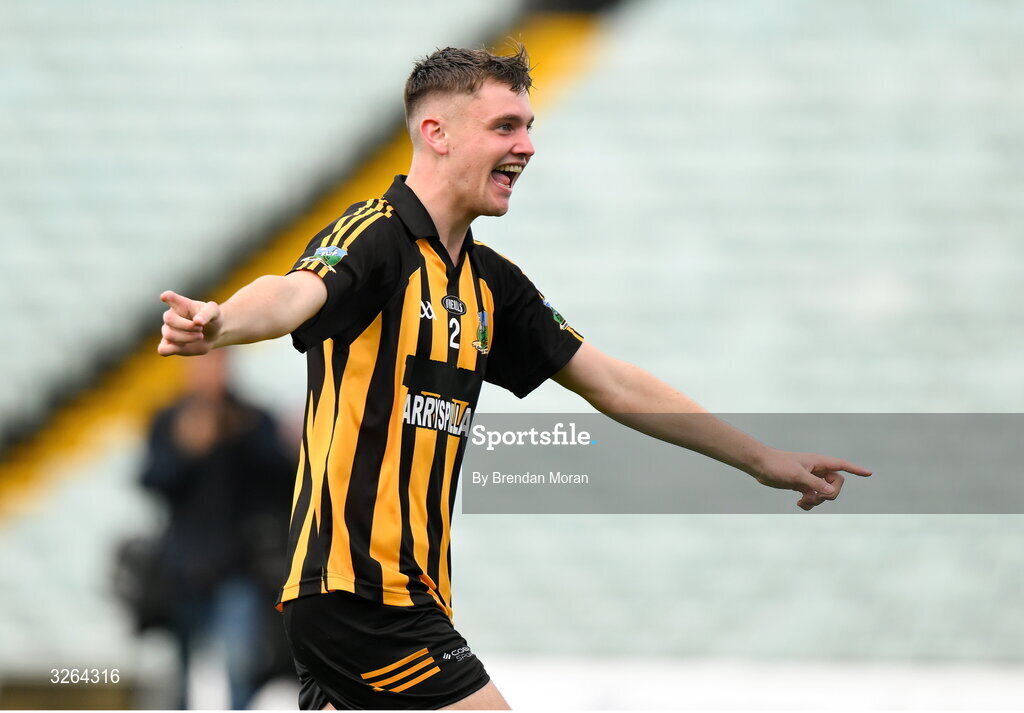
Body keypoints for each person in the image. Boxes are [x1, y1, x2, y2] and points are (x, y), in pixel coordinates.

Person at [156, 45, 871, 710]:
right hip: (362, 596)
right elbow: (292, 293)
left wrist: (763, 459)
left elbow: (613, 384)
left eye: (528, 126)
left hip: (406, 597)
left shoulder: (492, 286)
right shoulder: (373, 236)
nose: (526, 145)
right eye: (505, 127)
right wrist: (219, 322)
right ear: (436, 133)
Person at [140, 349, 294, 709]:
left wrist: (238, 433)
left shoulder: (252, 418)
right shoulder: (169, 421)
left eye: (217, 363)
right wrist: (185, 449)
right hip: (181, 569)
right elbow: (152, 480)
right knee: (181, 671)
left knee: (240, 663)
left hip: (237, 567)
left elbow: (283, 477)